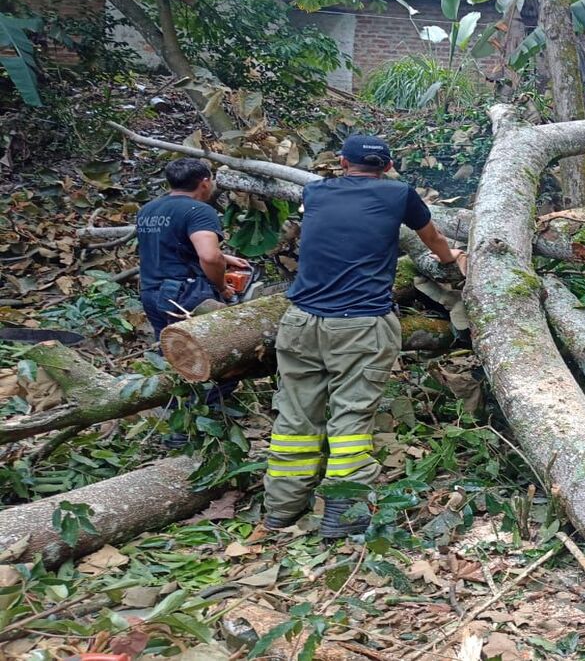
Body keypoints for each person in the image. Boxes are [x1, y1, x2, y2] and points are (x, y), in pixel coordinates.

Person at [264, 134, 463, 539]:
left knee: (295, 419)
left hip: (300, 322)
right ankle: (344, 515)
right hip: (360, 324)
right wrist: (451, 262)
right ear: (388, 167)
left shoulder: (316, 192)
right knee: (350, 421)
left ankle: (280, 512)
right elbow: (433, 239)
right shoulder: (399, 194)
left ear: (342, 163)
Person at [137, 158, 248, 447]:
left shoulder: (150, 209)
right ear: (205, 182)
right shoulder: (199, 210)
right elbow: (208, 256)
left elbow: (172, 245)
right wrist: (221, 286)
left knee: (173, 358)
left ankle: (173, 423)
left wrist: (225, 258)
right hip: (185, 293)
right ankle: (194, 429)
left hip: (153, 291)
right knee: (219, 359)